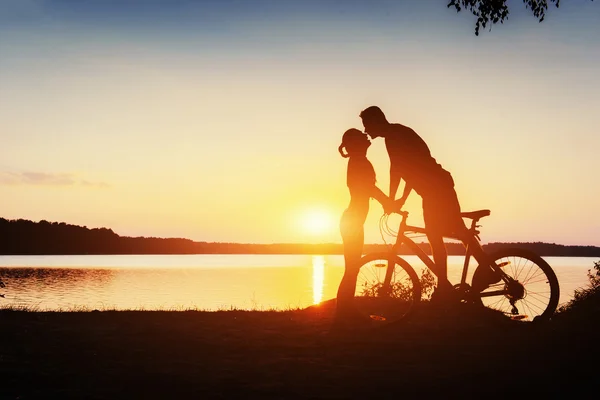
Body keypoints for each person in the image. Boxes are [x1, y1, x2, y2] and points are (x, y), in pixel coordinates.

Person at [358, 106, 499, 300]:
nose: (366, 130)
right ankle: (452, 284)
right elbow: (411, 169)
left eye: (366, 125)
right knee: (445, 234)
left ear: (376, 121)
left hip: (437, 190)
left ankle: (453, 284)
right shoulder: (397, 133)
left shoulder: (394, 137)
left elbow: (397, 170)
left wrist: (391, 199)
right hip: (434, 189)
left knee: (444, 234)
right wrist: (401, 199)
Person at [336, 128, 391, 321]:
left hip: (353, 220)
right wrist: (387, 202)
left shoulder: (359, 161)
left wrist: (387, 202)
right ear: (357, 144)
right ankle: (343, 315)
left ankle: (345, 313)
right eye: (362, 136)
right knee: (351, 268)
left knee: (352, 267)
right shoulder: (359, 162)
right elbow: (369, 188)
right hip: (352, 221)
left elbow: (368, 189)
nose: (367, 137)